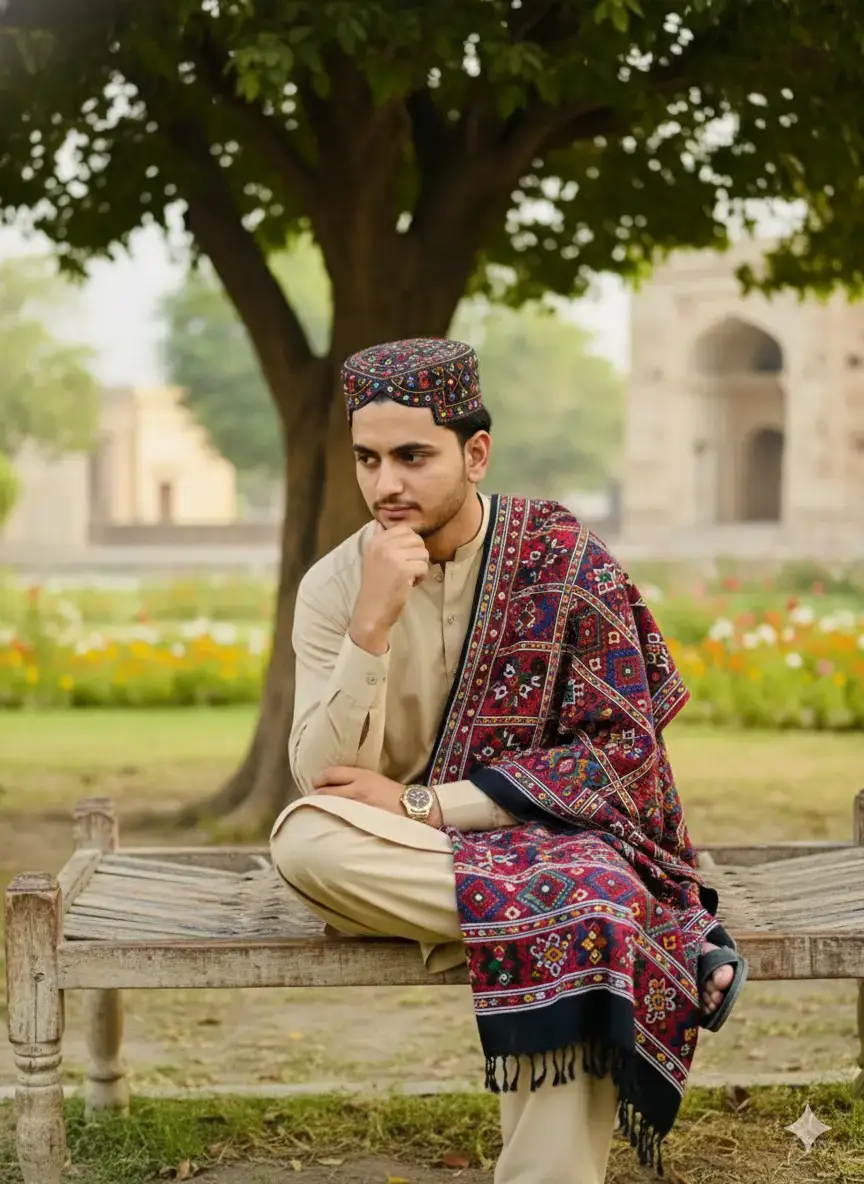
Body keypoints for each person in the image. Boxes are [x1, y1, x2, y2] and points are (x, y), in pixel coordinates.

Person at [270, 337, 747, 1184]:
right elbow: (323, 781)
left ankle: (591, 918)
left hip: (514, 835)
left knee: (582, 899)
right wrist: (370, 627)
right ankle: (613, 918)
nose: (386, 486)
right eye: (368, 459)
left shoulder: (563, 560)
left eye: (413, 456)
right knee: (305, 839)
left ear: (475, 452)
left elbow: (620, 757)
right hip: (462, 858)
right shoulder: (335, 586)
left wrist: (427, 805)